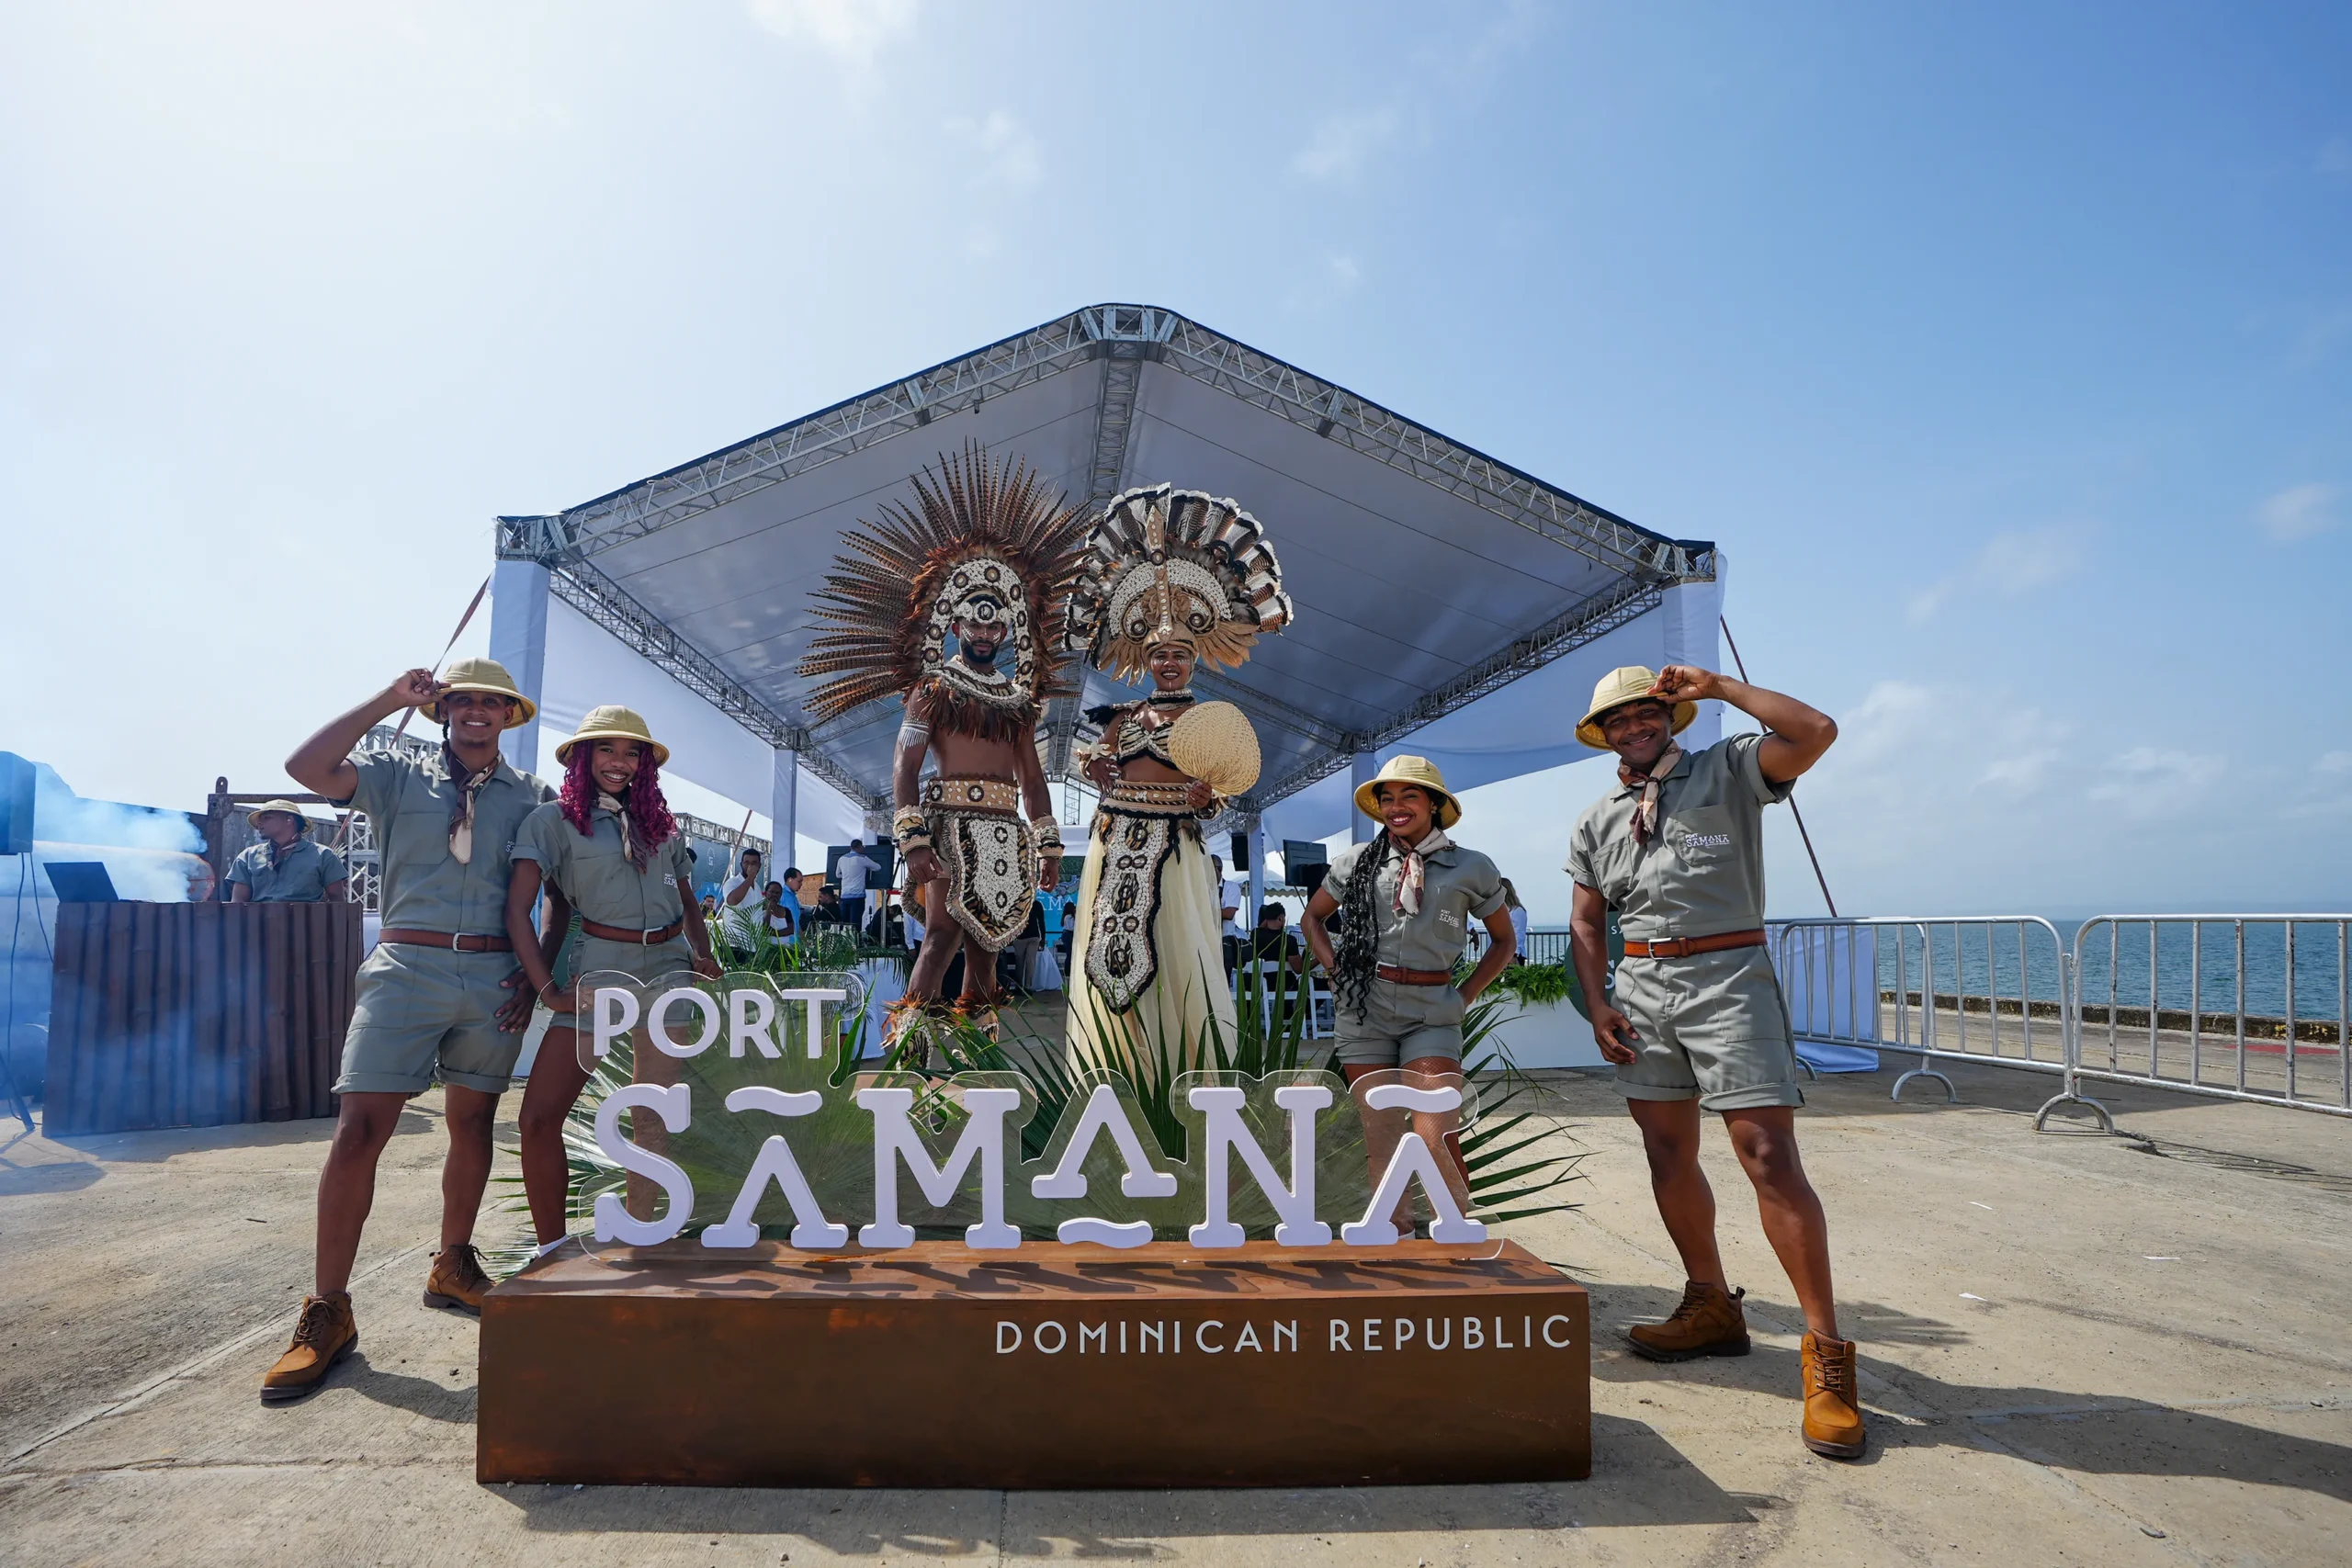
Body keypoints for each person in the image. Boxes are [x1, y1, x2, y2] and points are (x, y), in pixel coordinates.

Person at [1563, 662, 1857, 1460]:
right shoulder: (1597, 821)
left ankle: (1827, 1359)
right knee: (1667, 1151)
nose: (1633, 727)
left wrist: (1722, 688)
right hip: (1643, 987)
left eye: (1646, 712)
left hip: (1730, 977)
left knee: (1768, 1155)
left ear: (1670, 713)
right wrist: (1599, 1003)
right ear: (1604, 736)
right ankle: (1711, 1305)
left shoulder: (1730, 769)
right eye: (1617, 721)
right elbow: (1587, 924)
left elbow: (1815, 732)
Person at [263, 658, 561, 1402]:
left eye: (493, 703)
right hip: (406, 965)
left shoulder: (532, 797)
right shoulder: (398, 776)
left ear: (510, 716)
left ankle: (452, 1262)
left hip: (493, 977)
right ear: (444, 709)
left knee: (472, 1120)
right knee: (359, 1128)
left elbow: (562, 890)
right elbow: (306, 765)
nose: (477, 712)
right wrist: (388, 698)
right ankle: (328, 1307)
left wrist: (536, 977)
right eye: (464, 700)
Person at [797, 445, 1084, 1045]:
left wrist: (1049, 842)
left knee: (987, 948)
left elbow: (1033, 780)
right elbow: (904, 762)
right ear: (955, 625)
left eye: (993, 624)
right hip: (950, 826)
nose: (983, 632)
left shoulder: (1018, 701)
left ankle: (979, 1053)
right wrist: (913, 837)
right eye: (973, 624)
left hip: (1006, 833)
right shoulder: (932, 690)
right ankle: (904, 1050)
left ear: (1006, 629)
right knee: (941, 935)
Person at [1060, 484, 1290, 1075]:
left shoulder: (1207, 724)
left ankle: (1176, 1074)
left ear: (1194, 660)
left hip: (1176, 848)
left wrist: (1205, 800)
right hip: (1114, 843)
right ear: (1145, 658)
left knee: (1176, 954)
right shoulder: (1126, 717)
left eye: (1180, 655)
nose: (1168, 663)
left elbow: (1220, 794)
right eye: (1159, 654)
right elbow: (1086, 760)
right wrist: (1094, 765)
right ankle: (1116, 1072)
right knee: (1105, 954)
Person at [504, 706, 723, 1256]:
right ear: (583, 756)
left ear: (645, 764)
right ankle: (551, 1249)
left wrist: (703, 953)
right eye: (606, 749)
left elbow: (688, 897)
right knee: (539, 1114)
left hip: (669, 971)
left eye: (632, 753)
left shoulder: (662, 825)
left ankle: (641, 1235)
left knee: (653, 1114)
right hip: (601, 971)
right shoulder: (550, 822)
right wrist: (545, 989)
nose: (619, 763)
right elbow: (518, 911)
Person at [1301, 756, 1516, 1199]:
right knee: (1380, 1137)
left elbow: (1502, 942)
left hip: (1432, 1012)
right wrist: (1334, 970)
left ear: (1434, 804)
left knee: (1436, 1134)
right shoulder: (1357, 862)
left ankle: (1456, 1237)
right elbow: (1312, 919)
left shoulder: (1471, 867)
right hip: (1365, 1010)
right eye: (1388, 798)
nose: (1396, 807)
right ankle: (1395, 1235)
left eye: (1409, 796)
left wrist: (1465, 996)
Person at [225, 800, 347, 904]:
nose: (259, 824)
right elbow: (237, 905)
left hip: (306, 928)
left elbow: (338, 904)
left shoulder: (323, 855)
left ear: (289, 820)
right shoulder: (248, 857)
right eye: (259, 820)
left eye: (267, 818)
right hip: (258, 928)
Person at [835, 839, 881, 939]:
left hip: (844, 896)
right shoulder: (862, 859)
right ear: (859, 847)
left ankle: (844, 944)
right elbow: (878, 867)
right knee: (855, 925)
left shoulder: (841, 859)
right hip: (857, 896)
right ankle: (855, 946)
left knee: (845, 924)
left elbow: (837, 875)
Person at [1500, 877, 1532, 964]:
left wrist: (1514, 954)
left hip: (1513, 955)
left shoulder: (1517, 911)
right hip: (1500, 953)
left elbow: (1519, 934)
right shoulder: (1498, 911)